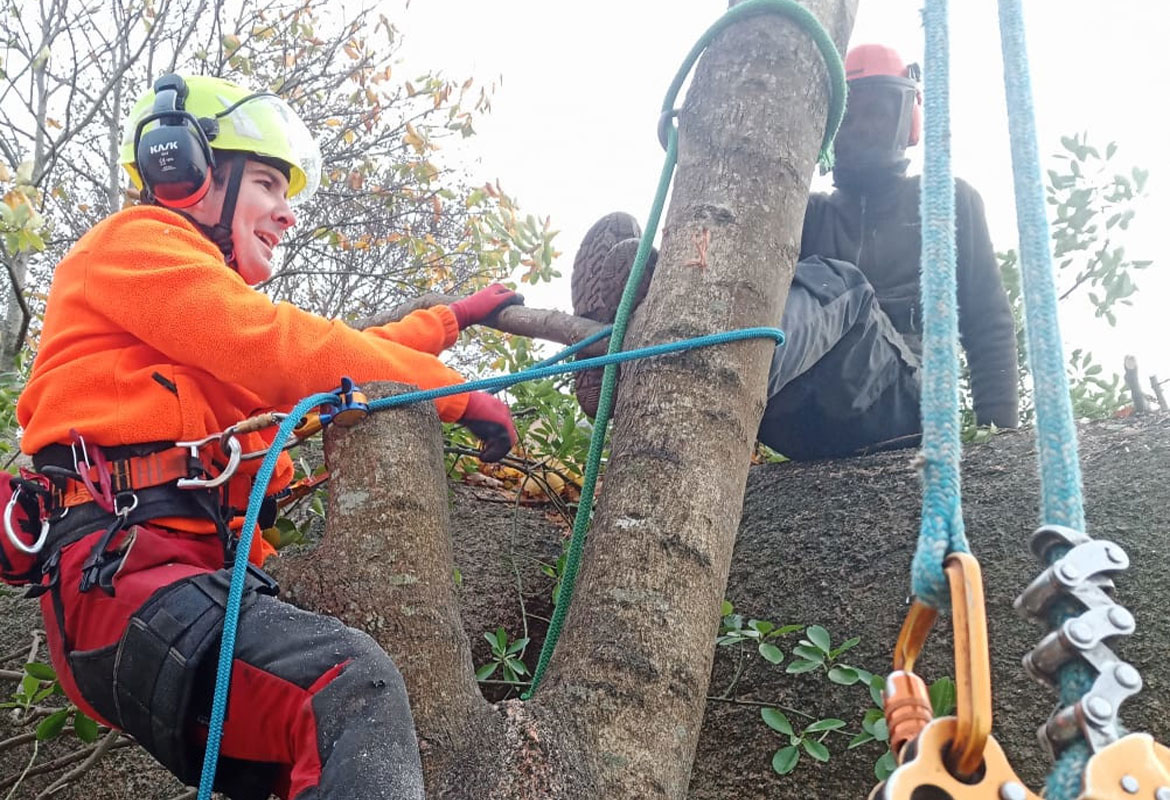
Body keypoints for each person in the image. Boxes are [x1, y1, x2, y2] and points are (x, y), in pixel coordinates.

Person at [8, 73, 521, 799]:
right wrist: (458, 395)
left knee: (320, 760)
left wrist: (447, 323)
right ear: (182, 170)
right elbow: (283, 346)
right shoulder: (135, 244)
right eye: (268, 185)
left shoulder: (190, 337)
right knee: (350, 686)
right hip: (132, 584)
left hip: (160, 595)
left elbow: (326, 366)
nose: (285, 214)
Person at [571, 44, 1018, 460]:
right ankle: (643, 337)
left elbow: (988, 323)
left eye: (878, 112)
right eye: (849, 118)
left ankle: (702, 364)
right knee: (743, 264)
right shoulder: (804, 212)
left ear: (909, 120)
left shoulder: (946, 200)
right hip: (796, 407)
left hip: (899, 404)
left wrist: (998, 443)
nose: (862, 129)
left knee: (840, 283)